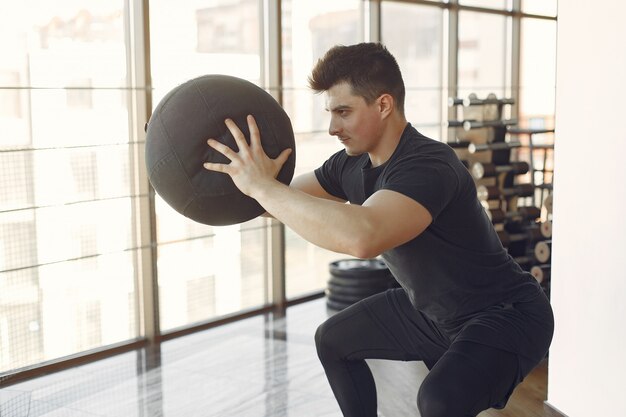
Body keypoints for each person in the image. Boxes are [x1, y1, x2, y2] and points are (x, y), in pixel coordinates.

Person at [203, 42, 554, 417]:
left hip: (505, 314)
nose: (332, 127)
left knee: (439, 401)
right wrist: (208, 172)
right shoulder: (348, 165)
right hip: (434, 311)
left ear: (383, 105)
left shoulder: (428, 165)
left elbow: (363, 236)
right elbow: (272, 202)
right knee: (333, 340)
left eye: (343, 112)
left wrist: (263, 187)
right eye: (330, 113)